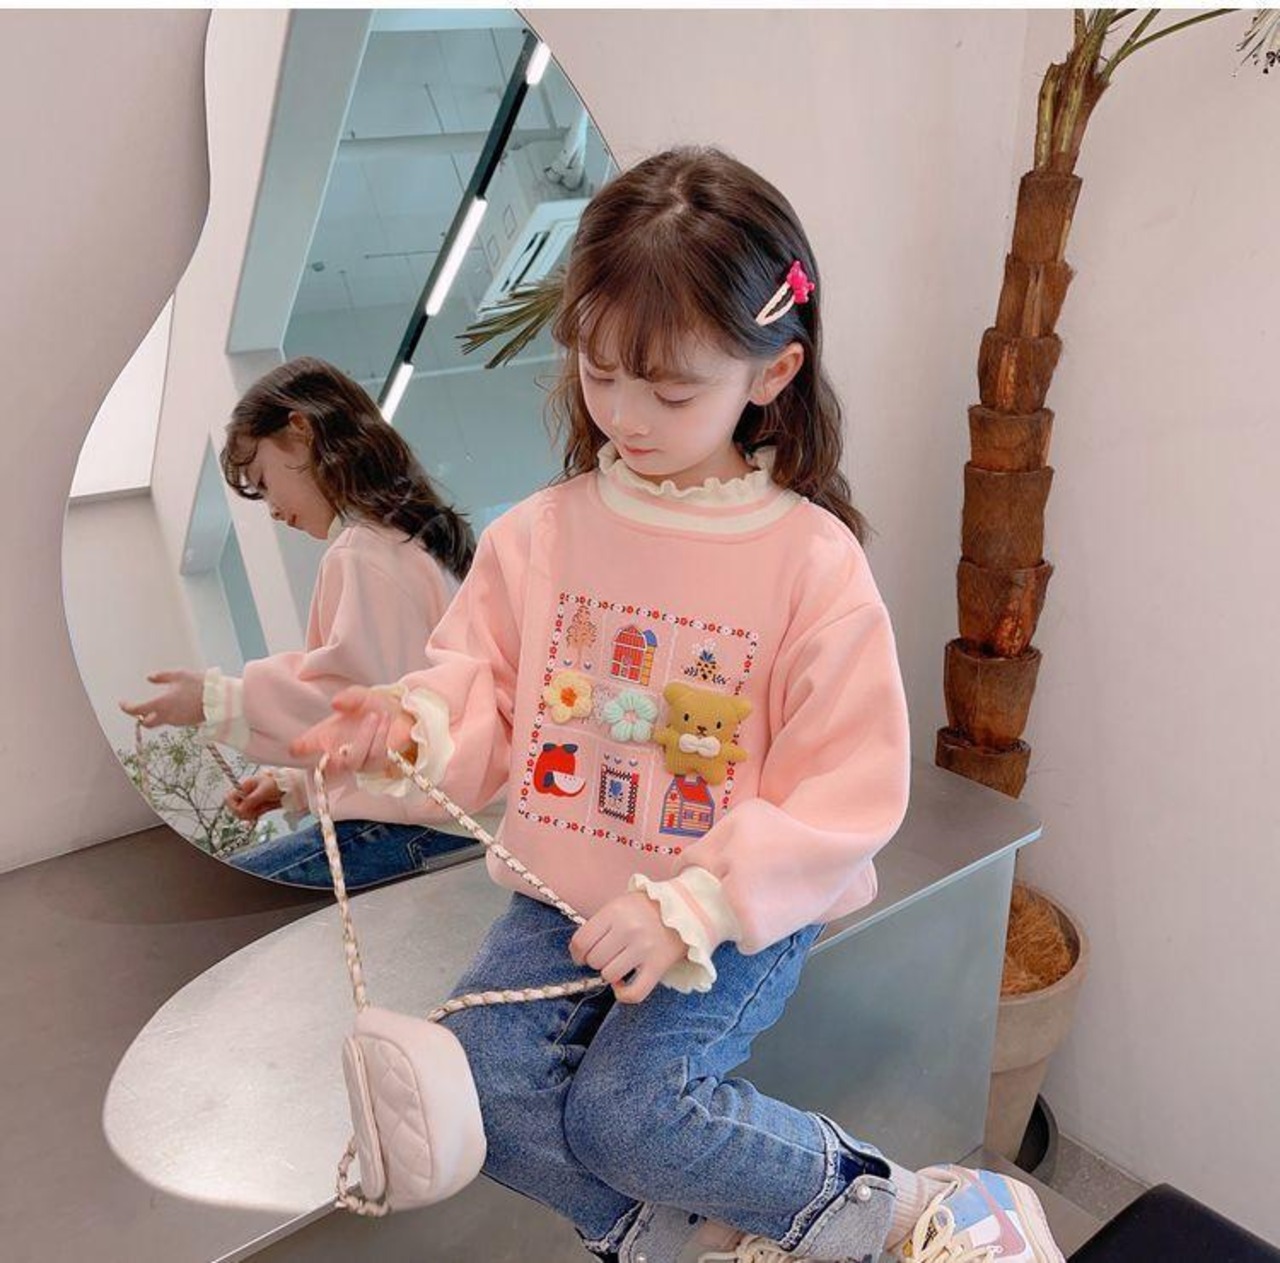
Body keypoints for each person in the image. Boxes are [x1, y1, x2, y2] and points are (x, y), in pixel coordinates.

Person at [292, 150, 1066, 1263]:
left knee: (628, 1113)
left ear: (771, 370)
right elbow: (482, 695)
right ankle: (712, 1241)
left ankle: (913, 1211)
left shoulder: (809, 561)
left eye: (669, 391)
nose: (625, 416)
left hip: (730, 910)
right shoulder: (537, 535)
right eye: (600, 374)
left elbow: (845, 789)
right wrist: (406, 727)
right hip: (562, 895)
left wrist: (694, 904)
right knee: (489, 1095)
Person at [121, 357, 487, 889]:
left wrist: (214, 699)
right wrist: (293, 786)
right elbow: (395, 707)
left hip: (419, 826)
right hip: (449, 816)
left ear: (301, 430)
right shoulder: (416, 540)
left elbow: (349, 702)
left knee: (218, 900)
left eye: (264, 481)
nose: (271, 510)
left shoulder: (364, 552)